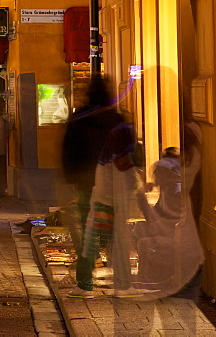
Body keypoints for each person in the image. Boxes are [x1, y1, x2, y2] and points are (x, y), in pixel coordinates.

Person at [68, 120, 141, 298]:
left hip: (95, 197)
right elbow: (129, 180)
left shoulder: (100, 151)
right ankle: (122, 286)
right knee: (118, 242)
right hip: (112, 202)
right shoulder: (119, 155)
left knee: (89, 242)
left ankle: (84, 286)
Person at [61, 76, 123, 249]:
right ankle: (107, 249)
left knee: (86, 217)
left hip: (85, 178)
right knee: (109, 214)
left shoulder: (79, 118)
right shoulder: (115, 119)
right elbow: (124, 150)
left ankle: (90, 255)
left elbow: (69, 148)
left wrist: (71, 176)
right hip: (110, 179)